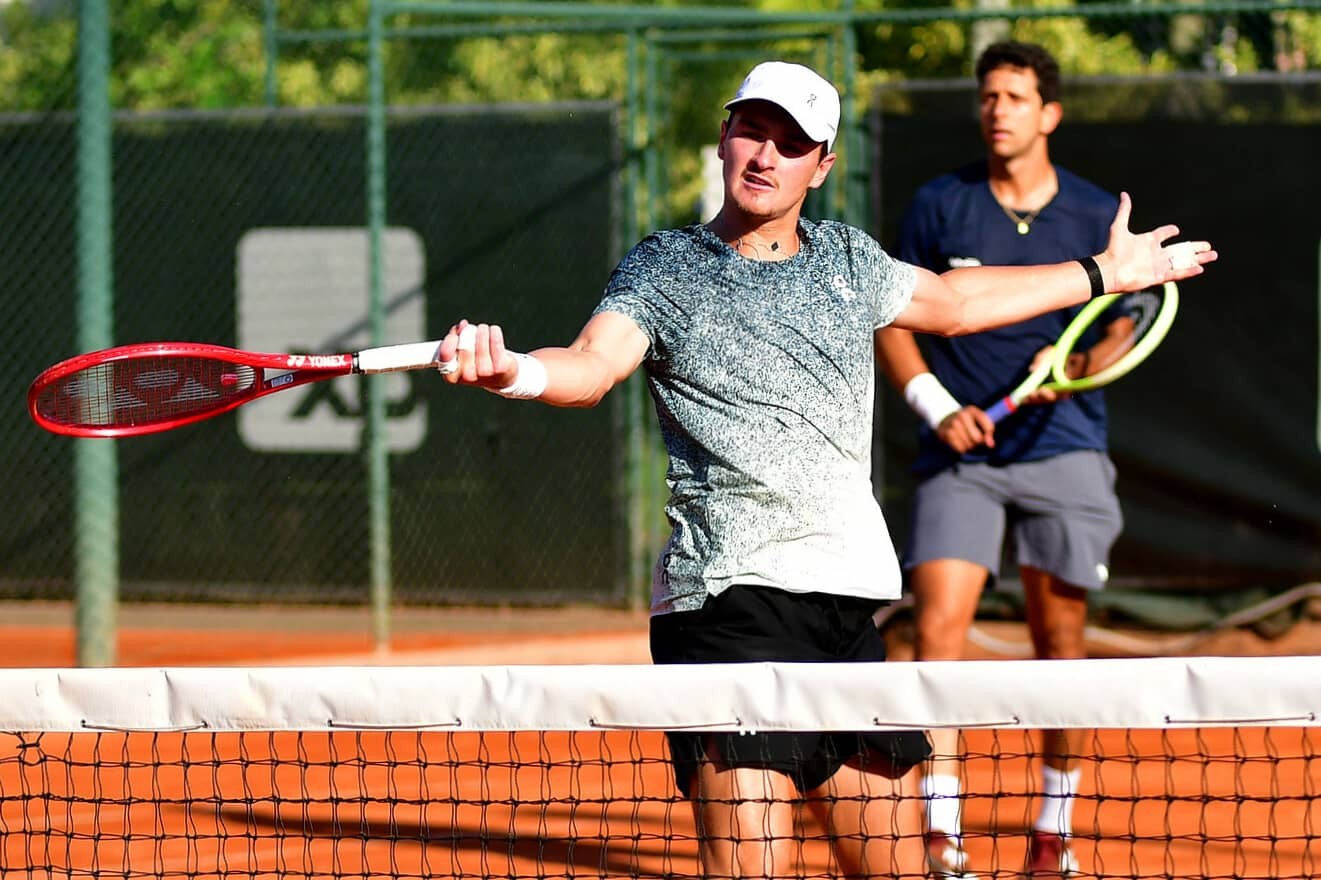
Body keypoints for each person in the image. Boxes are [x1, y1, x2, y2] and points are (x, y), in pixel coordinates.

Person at [436, 59, 1214, 880]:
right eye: (751, 131)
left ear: (822, 164)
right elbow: (589, 367)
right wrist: (513, 371)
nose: (765, 156)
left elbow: (955, 306)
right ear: (725, 136)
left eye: (791, 142)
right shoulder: (665, 266)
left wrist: (1106, 274)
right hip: (728, 612)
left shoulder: (848, 259)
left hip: (845, 619)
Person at [874, 41, 1140, 879]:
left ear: (1047, 114)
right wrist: (935, 406)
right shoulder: (938, 205)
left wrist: (1073, 371)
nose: (997, 109)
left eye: (1015, 96)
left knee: (1060, 645)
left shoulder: (1096, 212)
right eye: (988, 95)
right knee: (937, 636)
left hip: (1064, 448)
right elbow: (894, 320)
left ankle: (1052, 833)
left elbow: (1120, 324)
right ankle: (943, 839)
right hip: (961, 457)